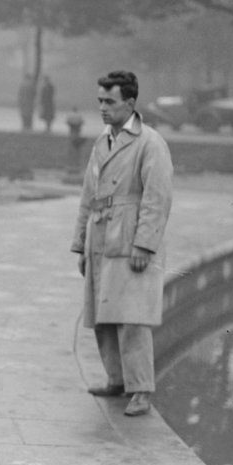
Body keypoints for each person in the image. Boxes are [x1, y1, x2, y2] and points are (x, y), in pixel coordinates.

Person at [71, 70, 173, 417]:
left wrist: (145, 245)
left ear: (130, 103)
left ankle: (141, 389)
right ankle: (116, 379)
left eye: (109, 101)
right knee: (103, 316)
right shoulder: (103, 141)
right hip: (100, 238)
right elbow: (89, 194)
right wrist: (80, 242)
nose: (102, 107)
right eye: (100, 100)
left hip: (130, 240)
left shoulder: (150, 142)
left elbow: (157, 198)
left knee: (133, 319)